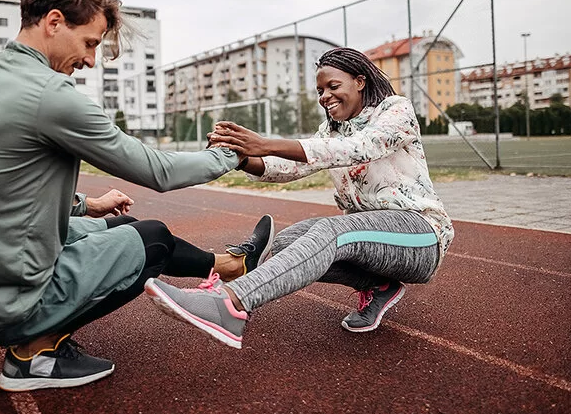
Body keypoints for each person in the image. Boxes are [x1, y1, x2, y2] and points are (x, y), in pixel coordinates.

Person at [0, 0, 274, 392]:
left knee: (123, 228)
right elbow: (159, 171)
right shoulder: (50, 95)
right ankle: (35, 355)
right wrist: (232, 154)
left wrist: (84, 204)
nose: (89, 60)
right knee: (151, 240)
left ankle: (229, 266)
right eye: (89, 43)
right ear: (54, 22)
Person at [145, 47, 454, 349]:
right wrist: (242, 157)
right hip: (369, 240)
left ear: (360, 82)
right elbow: (291, 166)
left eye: (333, 86)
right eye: (320, 90)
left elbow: (362, 147)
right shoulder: (332, 130)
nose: (325, 97)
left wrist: (265, 143)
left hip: (420, 235)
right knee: (284, 244)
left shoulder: (395, 110)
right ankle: (378, 285)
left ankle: (230, 304)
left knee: (331, 232)